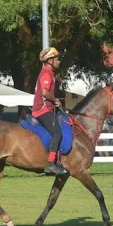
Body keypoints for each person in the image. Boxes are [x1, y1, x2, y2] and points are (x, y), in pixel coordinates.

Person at [32, 47, 68, 175]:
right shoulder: (46, 74)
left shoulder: (49, 73)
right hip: (41, 110)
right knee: (57, 133)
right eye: (57, 59)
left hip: (45, 109)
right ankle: (50, 164)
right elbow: (45, 93)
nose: (58, 61)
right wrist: (55, 100)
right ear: (50, 61)